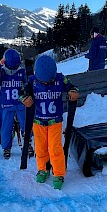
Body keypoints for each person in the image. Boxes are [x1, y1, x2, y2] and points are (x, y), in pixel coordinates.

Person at [21, 55, 79, 190]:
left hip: (55, 121)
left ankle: (58, 173)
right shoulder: (32, 81)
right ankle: (42, 169)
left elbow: (73, 87)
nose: (46, 83)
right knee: (40, 147)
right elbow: (21, 92)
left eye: (49, 81)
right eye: (43, 81)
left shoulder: (60, 79)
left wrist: (73, 92)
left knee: (55, 148)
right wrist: (24, 98)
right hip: (38, 121)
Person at [0, 48, 30, 159]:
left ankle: (26, 144)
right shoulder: (18, 71)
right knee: (8, 127)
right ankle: (7, 147)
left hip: (16, 104)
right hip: (13, 104)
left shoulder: (5, 71)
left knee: (23, 125)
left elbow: (27, 85)